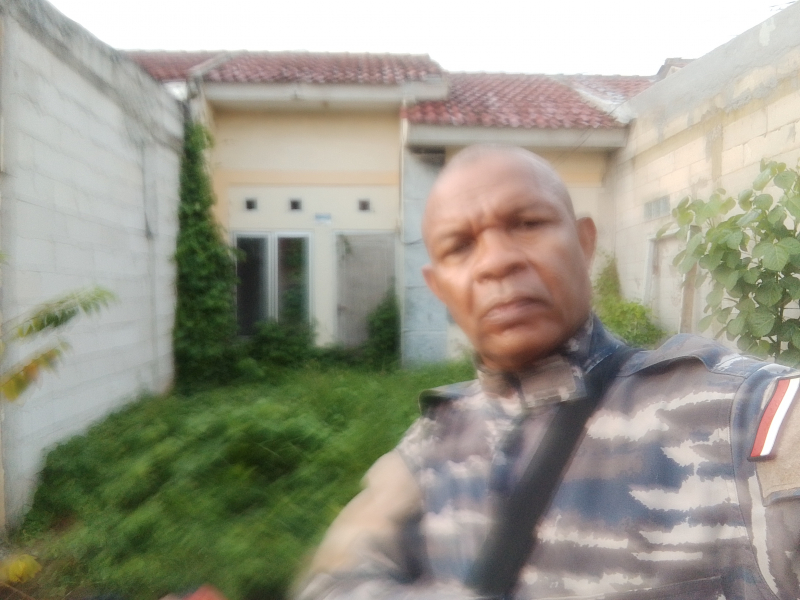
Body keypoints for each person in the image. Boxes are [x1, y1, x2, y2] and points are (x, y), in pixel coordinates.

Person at [293, 145, 800, 600]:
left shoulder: (737, 414)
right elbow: (331, 582)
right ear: (439, 287)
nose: (496, 262)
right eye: (460, 246)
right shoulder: (431, 446)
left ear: (584, 242)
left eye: (527, 223)